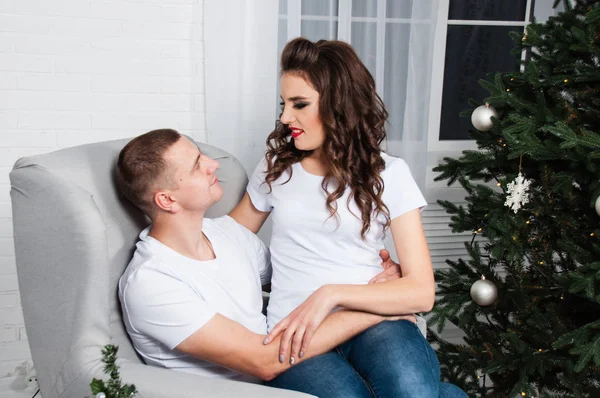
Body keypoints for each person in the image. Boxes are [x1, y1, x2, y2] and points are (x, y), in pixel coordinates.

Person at [229, 38, 467, 397]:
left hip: (372, 323)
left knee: (412, 391)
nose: (284, 117)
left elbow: (421, 292)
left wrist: (330, 294)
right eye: (284, 104)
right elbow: (227, 244)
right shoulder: (275, 170)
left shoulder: (391, 173)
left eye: (300, 104)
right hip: (296, 332)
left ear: (338, 106)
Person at [115, 129, 409, 385]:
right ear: (167, 200)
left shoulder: (228, 234)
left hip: (283, 378)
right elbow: (264, 361)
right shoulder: (152, 281)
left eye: (202, 155)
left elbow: (299, 275)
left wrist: (376, 279)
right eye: (196, 166)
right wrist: (376, 308)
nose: (212, 164)